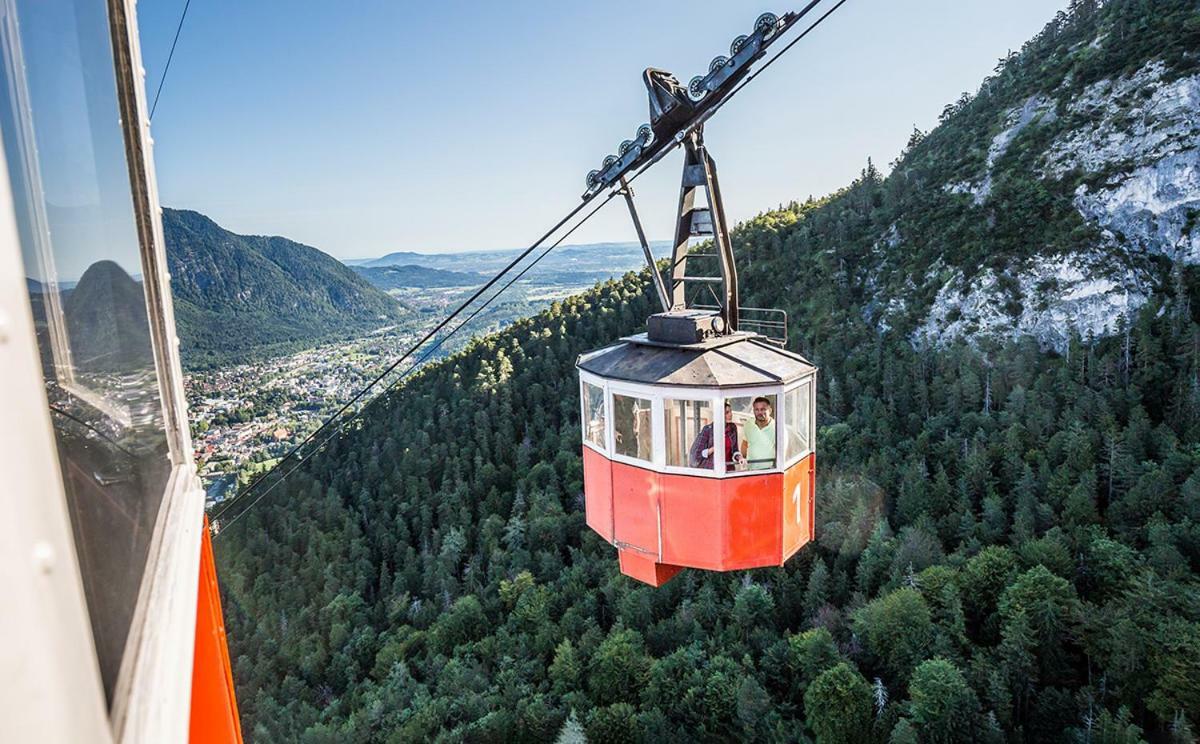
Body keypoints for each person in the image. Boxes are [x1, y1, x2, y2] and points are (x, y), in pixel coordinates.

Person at [690, 403, 741, 469]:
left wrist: (739, 458)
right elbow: (697, 455)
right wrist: (712, 449)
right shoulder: (708, 430)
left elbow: (735, 450)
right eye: (727, 412)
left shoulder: (733, 428)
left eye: (730, 411)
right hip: (712, 471)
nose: (730, 414)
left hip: (728, 470)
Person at [740, 396, 775, 470]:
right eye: (757, 409)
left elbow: (782, 453)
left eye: (763, 409)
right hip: (751, 471)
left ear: (770, 410)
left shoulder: (777, 428)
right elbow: (744, 444)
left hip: (769, 471)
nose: (759, 412)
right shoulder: (748, 424)